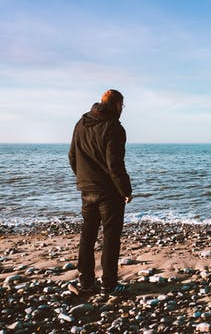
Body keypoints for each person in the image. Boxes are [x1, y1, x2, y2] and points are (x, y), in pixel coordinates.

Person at [69, 89, 132, 295]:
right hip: (108, 192)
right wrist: (125, 190)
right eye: (122, 105)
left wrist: (83, 178)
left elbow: (72, 156)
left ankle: (86, 282)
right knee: (111, 237)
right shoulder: (114, 127)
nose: (122, 109)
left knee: (87, 235)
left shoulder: (81, 123)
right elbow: (114, 164)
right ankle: (109, 284)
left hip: (86, 188)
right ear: (116, 105)